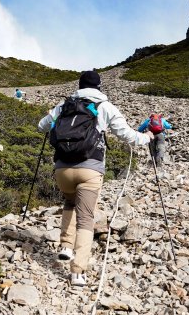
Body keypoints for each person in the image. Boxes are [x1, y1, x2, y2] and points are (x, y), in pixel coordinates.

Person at [38, 70, 154, 288]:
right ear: (99, 87)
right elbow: (127, 135)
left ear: (79, 86)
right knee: (86, 218)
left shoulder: (64, 106)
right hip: (90, 169)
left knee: (70, 202)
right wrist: (146, 138)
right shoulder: (105, 106)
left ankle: (65, 246)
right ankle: (77, 272)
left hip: (62, 169)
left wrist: (51, 117)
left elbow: (41, 127)